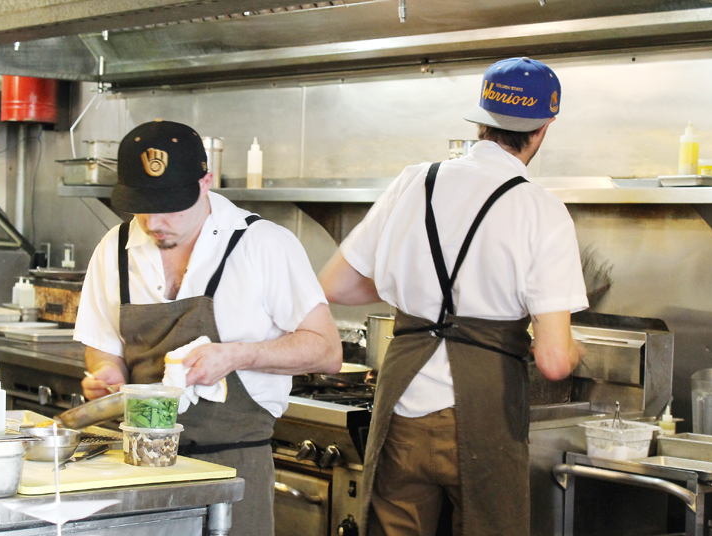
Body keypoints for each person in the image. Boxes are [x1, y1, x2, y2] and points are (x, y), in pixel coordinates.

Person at [318, 57, 588, 536]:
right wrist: (574, 349)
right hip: (484, 414)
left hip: (402, 404)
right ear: (544, 128)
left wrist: (414, 285)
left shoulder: (415, 180)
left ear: (480, 120)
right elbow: (553, 361)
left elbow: (335, 285)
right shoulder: (542, 210)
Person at [74, 119, 342, 536]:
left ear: (205, 183)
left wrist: (237, 355)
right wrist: (107, 372)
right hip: (138, 466)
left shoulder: (261, 244)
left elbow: (327, 350)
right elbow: (103, 345)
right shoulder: (114, 247)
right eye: (142, 205)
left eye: (171, 205)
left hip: (234, 467)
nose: (154, 222)